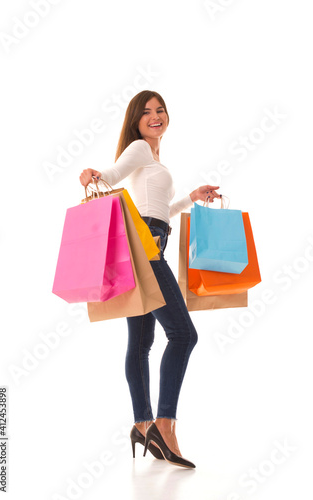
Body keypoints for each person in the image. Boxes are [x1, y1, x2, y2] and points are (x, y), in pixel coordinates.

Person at [79, 90, 220, 468]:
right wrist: (93, 174)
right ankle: (165, 424)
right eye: (146, 113)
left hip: (144, 243)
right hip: (147, 251)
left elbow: (157, 211)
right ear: (136, 122)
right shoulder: (140, 149)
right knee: (184, 335)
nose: (155, 116)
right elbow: (110, 175)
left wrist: (189, 197)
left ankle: (142, 424)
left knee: (142, 341)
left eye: (160, 110)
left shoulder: (154, 158)